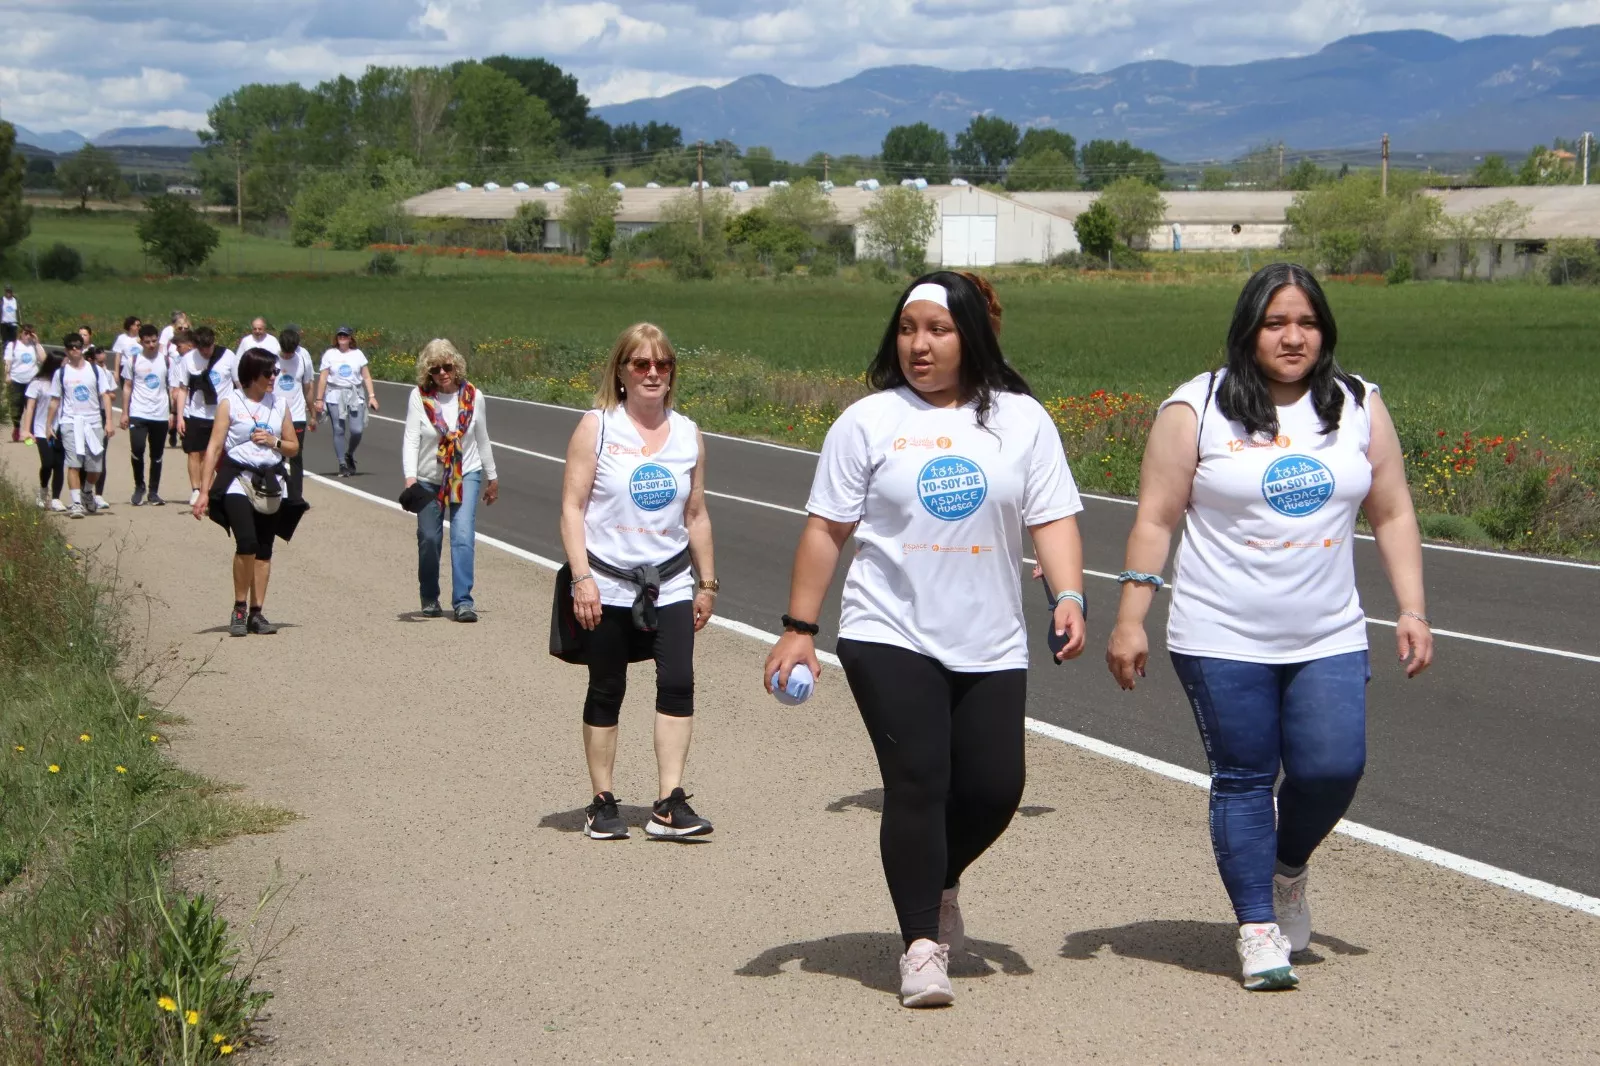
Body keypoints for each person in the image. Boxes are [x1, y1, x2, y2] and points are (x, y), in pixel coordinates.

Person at [763, 272, 1088, 1009]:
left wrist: (1067, 592)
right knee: (919, 781)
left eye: (937, 329)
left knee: (996, 789)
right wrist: (798, 630)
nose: (920, 344)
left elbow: (1054, 518)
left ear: (970, 334)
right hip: (889, 629)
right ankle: (919, 947)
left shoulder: (1021, 420)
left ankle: (938, 879)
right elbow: (826, 531)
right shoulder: (869, 421)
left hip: (992, 636)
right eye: (908, 329)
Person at [1106, 263, 1434, 992]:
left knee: (1331, 767)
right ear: (1249, 328)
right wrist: (1132, 618)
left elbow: (1393, 511)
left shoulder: (1357, 404)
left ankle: (1287, 869)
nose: (1293, 337)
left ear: (1325, 330)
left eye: (1307, 322)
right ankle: (1257, 927)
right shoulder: (1197, 408)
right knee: (1245, 776)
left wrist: (1411, 608)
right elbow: (1155, 520)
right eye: (1276, 322)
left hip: (1328, 632)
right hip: (1220, 633)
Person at [559, 323, 718, 843]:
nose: (652, 373)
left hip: (668, 584)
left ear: (673, 373)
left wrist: (707, 583)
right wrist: (581, 579)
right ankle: (602, 801)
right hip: (606, 583)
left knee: (677, 683)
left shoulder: (689, 433)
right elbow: (572, 508)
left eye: (662, 365)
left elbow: (696, 514)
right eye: (641, 364)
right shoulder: (598, 428)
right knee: (607, 687)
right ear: (622, 372)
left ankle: (669, 803)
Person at [192, 348, 306, 637]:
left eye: (275, 373)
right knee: (247, 542)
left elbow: (294, 447)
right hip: (236, 480)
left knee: (265, 550)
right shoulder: (230, 403)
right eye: (269, 373)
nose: (273, 378)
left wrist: (274, 441)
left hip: (269, 483)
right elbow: (214, 447)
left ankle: (257, 612)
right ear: (252, 374)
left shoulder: (279, 404)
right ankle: (239, 607)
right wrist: (203, 492)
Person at [402, 340, 499, 621]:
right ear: (427, 372)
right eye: (435, 369)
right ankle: (430, 595)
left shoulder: (473, 397)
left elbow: (482, 438)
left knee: (463, 535)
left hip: (465, 472)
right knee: (430, 538)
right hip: (428, 477)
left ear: (456, 366)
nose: (443, 373)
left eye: (447, 366)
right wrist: (411, 480)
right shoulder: (419, 397)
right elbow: (411, 439)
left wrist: (492, 477)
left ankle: (463, 601)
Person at [45, 334, 115, 519]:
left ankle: (87, 491)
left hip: (92, 422)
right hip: (70, 422)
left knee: (95, 468)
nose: (74, 350)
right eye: (70, 347)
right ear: (67, 349)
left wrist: (108, 421)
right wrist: (49, 424)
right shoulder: (61, 373)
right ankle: (76, 503)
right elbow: (54, 400)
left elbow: (106, 396)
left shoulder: (95, 371)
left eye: (77, 346)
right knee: (73, 463)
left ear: (82, 348)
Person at [175, 326, 239, 506]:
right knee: (195, 453)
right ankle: (196, 490)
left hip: (222, 414)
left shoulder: (228, 356)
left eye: (209, 347)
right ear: (196, 346)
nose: (206, 351)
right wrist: (180, 416)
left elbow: (238, 384)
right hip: (196, 413)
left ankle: (212, 488)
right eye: (202, 348)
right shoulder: (188, 360)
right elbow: (182, 389)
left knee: (218, 454)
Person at [314, 325, 378, 477]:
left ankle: (349, 453)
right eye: (339, 335)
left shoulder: (358, 354)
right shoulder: (330, 354)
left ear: (350, 338)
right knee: (339, 429)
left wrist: (372, 396)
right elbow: (323, 377)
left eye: (345, 335)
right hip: (335, 394)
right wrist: (319, 399)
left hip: (355, 393)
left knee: (357, 429)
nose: (342, 338)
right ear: (337, 338)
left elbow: (366, 377)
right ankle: (342, 463)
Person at [121, 323, 173, 505]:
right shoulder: (133, 361)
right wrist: (125, 413)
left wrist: (173, 412)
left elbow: (172, 388)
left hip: (160, 413)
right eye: (147, 342)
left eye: (154, 341)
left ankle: (153, 491)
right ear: (141, 342)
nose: (151, 345)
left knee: (157, 454)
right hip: (139, 411)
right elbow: (127, 387)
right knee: (137, 448)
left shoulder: (166, 361)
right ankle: (139, 486)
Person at [20, 348, 65, 510]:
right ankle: (43, 489)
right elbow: (30, 408)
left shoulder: (65, 382)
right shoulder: (37, 384)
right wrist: (26, 430)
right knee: (48, 463)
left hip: (61, 428)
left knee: (59, 464)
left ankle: (56, 499)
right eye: (62, 365)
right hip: (40, 429)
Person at [275, 325, 315, 501]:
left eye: (291, 352)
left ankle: (296, 497)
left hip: (297, 415)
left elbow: (308, 388)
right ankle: (277, 492)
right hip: (276, 414)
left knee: (296, 456)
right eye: (285, 352)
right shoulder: (272, 359)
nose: (288, 355)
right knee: (277, 455)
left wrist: (313, 413)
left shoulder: (303, 358)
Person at [85, 340, 117, 512]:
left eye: (102, 362)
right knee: (83, 457)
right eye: (97, 361)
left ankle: (98, 494)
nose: (99, 364)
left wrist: (109, 421)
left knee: (100, 455)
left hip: (100, 415)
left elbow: (110, 395)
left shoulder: (102, 374)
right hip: (83, 417)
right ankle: (84, 493)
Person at [4, 322, 42, 442]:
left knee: (32, 407)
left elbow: (43, 359)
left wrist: (37, 343)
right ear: (21, 334)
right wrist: (7, 375)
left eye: (30, 334)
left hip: (32, 380)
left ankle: (30, 432)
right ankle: (16, 427)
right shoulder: (13, 345)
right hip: (17, 380)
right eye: (25, 333)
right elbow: (8, 361)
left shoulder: (34, 346)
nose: (28, 336)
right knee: (16, 406)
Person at [160, 312, 192, 448]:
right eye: (180, 328)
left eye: (186, 328)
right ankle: (173, 429)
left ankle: (184, 430)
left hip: (187, 379)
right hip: (174, 375)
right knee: (175, 403)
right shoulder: (171, 344)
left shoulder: (191, 344)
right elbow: (163, 356)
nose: (183, 330)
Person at [111, 315, 142, 381]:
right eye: (137, 325)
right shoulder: (121, 338)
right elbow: (118, 356)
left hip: (139, 367)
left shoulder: (142, 338)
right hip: (125, 367)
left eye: (140, 325)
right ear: (131, 326)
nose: (139, 327)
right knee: (126, 388)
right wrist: (116, 372)